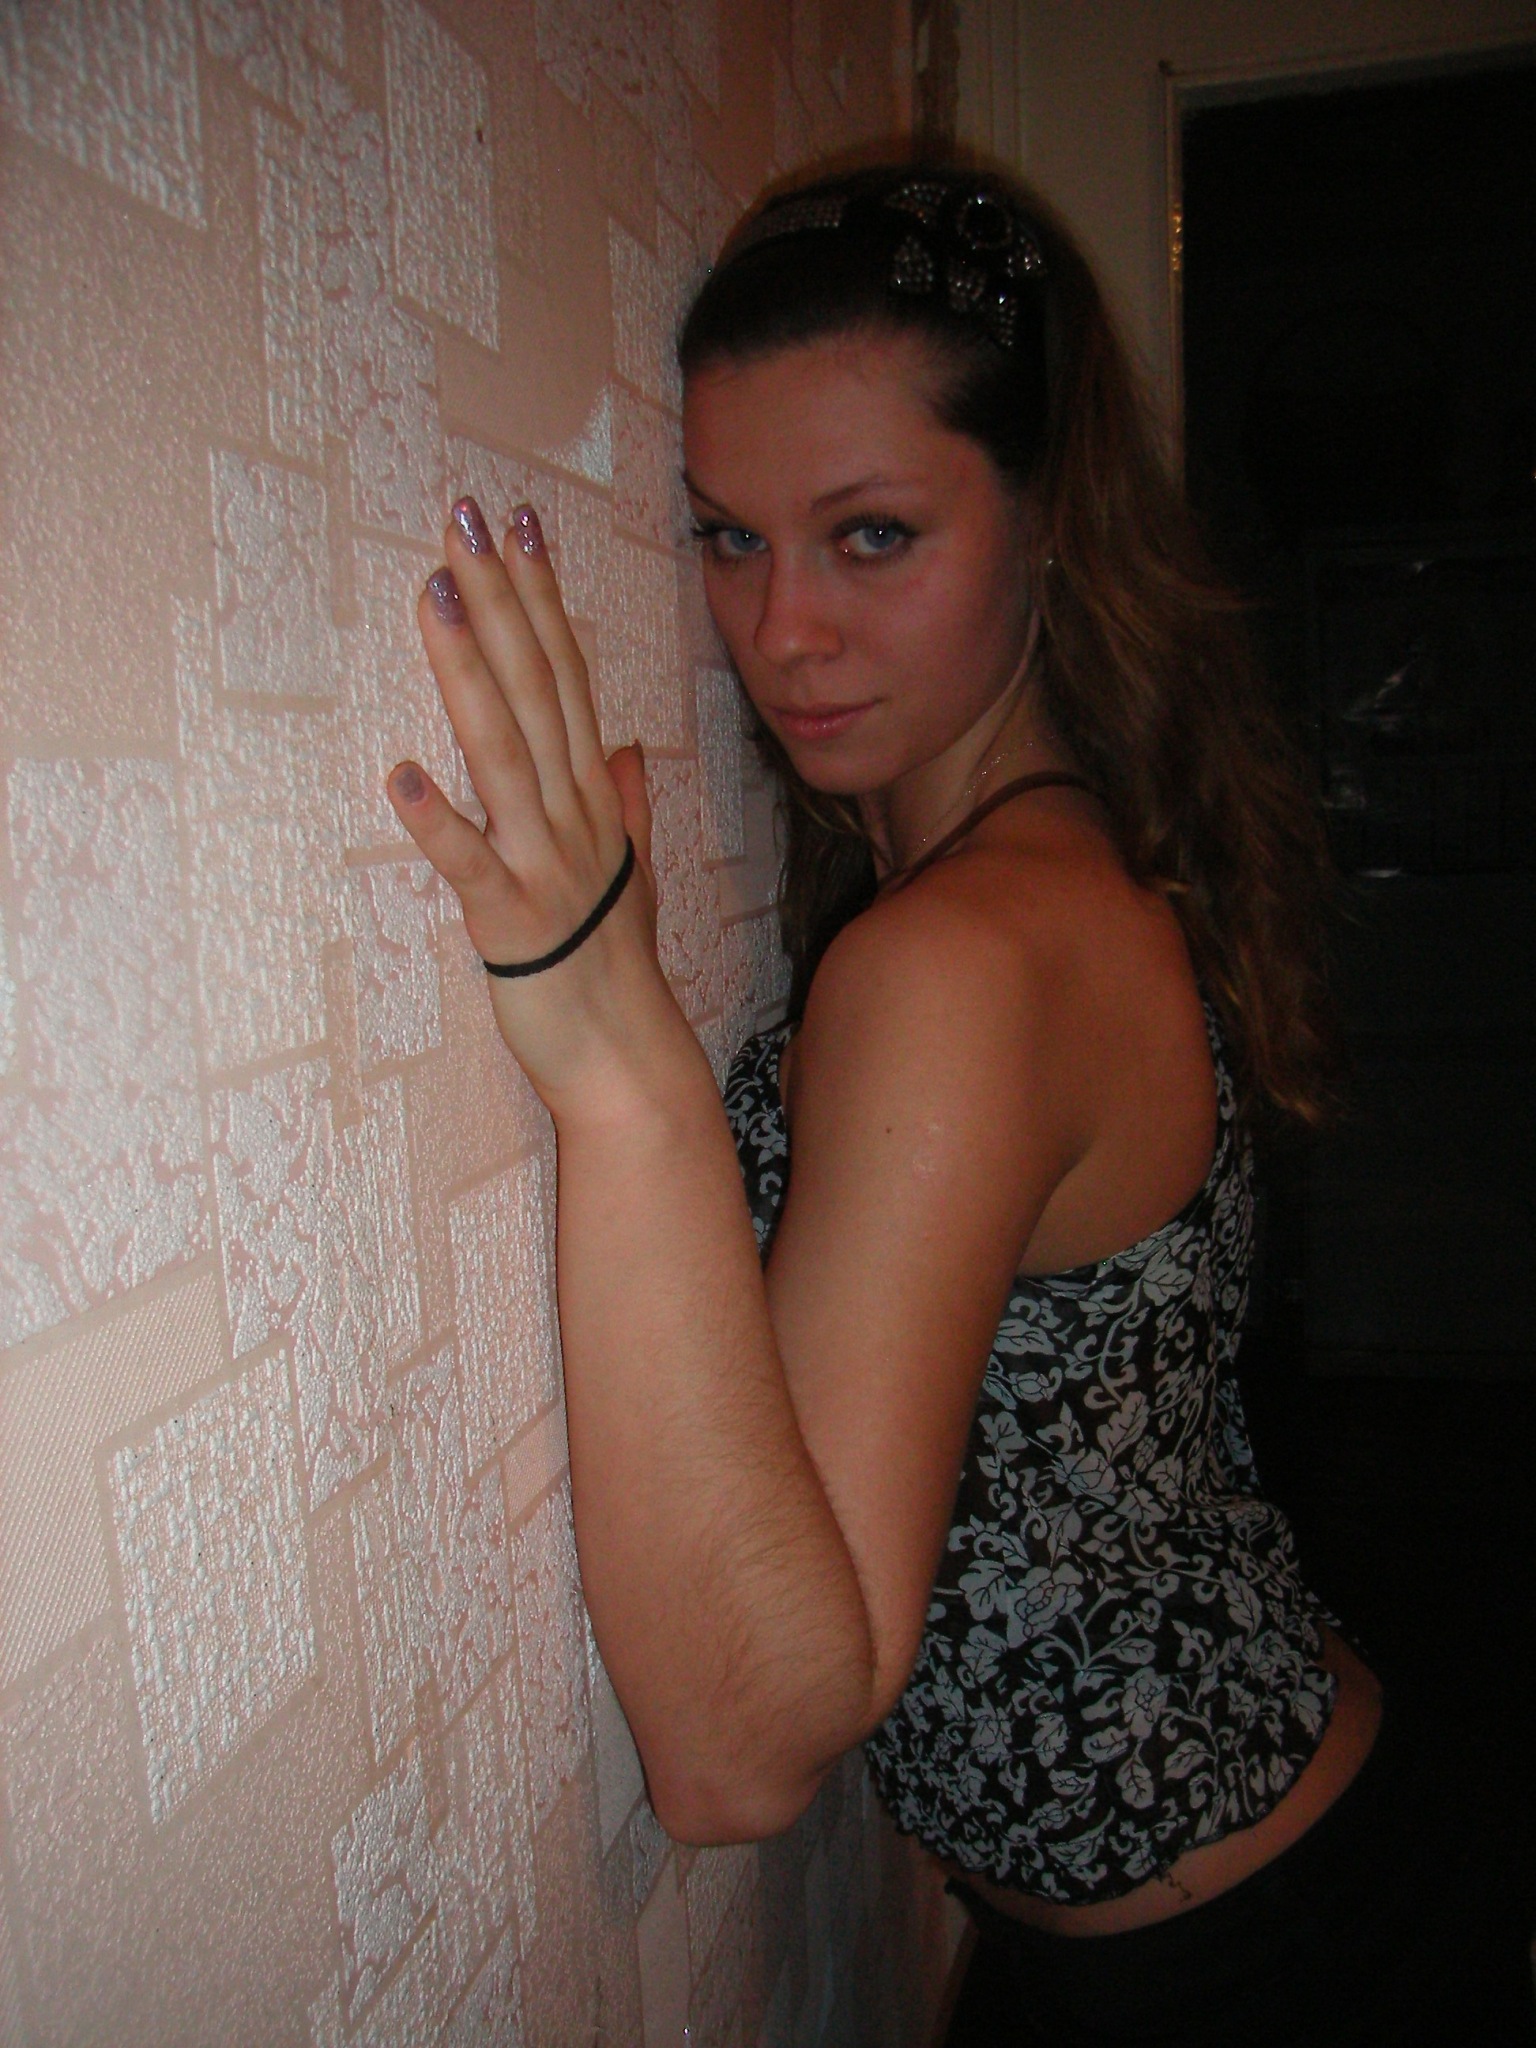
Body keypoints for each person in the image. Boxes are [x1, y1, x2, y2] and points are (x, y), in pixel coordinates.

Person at [385, 165, 1478, 2045]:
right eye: (728, 538)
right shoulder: (1033, 874)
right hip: (1257, 1876)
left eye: (871, 535)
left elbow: (738, 1753)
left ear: (1044, 521)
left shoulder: (956, 956)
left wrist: (615, 1054)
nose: (780, 630)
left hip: (1250, 1965)